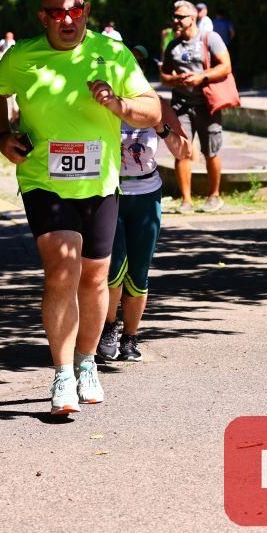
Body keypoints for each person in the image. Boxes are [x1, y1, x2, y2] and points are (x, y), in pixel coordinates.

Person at [0, 0, 161, 416]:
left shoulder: (112, 53)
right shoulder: (22, 56)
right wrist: (2, 135)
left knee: (96, 279)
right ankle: (62, 374)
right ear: (43, 17)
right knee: (62, 270)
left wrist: (118, 105)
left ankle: (86, 362)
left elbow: (153, 110)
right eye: (57, 12)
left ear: (86, 11)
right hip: (44, 179)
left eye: (75, 11)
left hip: (100, 182)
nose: (67, 19)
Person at [97, 54, 193, 363]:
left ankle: (130, 336)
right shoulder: (103, 102)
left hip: (146, 194)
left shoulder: (157, 105)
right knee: (113, 270)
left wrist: (161, 127)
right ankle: (108, 328)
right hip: (111, 192)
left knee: (138, 272)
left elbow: (184, 151)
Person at [160, 0, 233, 213]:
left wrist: (201, 77)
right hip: (181, 105)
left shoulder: (210, 38)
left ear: (192, 18)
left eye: (180, 17)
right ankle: (186, 201)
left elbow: (226, 66)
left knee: (211, 150)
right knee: (181, 151)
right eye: (174, 17)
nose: (175, 20)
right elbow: (164, 76)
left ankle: (214, 196)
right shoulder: (173, 45)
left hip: (207, 104)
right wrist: (175, 80)